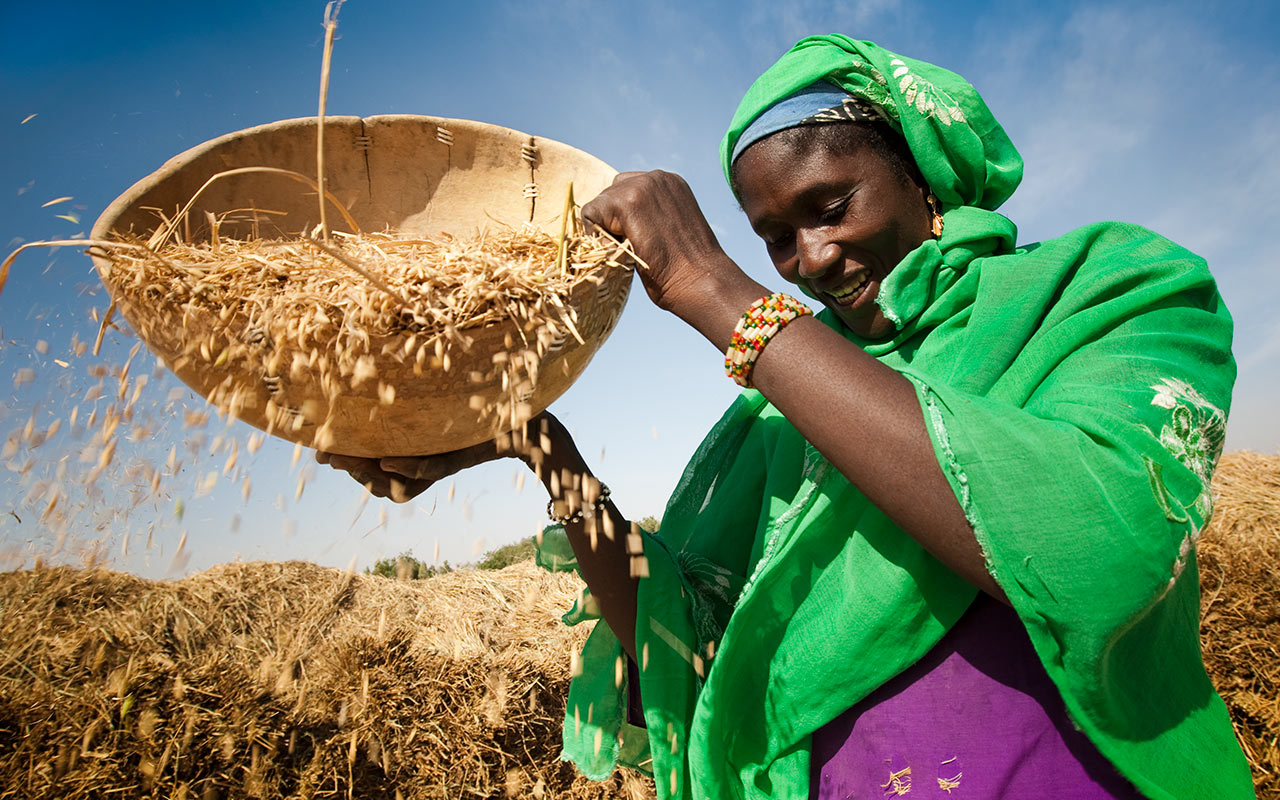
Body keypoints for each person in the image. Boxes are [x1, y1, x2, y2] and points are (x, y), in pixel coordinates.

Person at [318, 36, 1255, 799]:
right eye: (773, 240)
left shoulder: (1107, 291)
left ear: (923, 173)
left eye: (831, 206)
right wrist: (541, 447)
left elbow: (1097, 556)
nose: (809, 259)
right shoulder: (783, 415)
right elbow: (679, 641)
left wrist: (715, 290)